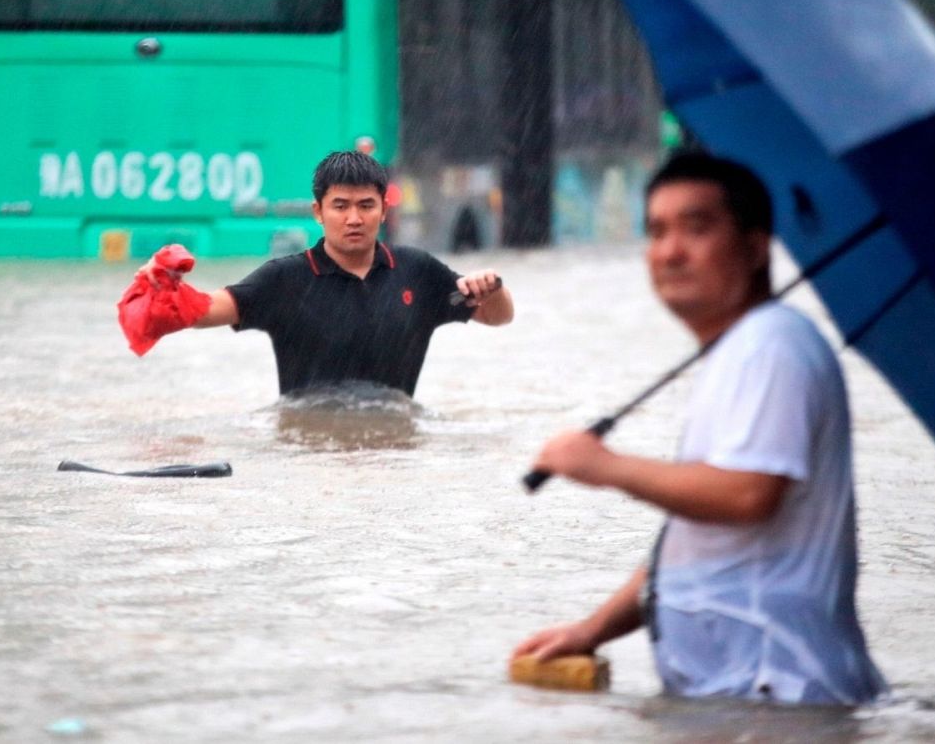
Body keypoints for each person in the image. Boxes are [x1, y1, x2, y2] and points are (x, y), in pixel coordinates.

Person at [512, 149, 885, 706]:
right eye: (657, 231)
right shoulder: (736, 353)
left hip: (779, 701)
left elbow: (747, 494)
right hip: (732, 701)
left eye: (697, 228)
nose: (670, 252)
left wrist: (606, 468)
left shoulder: (770, 346)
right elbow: (696, 546)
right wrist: (592, 630)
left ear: (756, 246)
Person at [136, 150, 512, 397]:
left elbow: (497, 317)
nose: (354, 218)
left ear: (384, 210)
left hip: (395, 454)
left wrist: (493, 288)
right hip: (310, 452)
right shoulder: (285, 280)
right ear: (318, 211)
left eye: (366, 205)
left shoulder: (417, 272)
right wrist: (162, 289)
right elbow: (209, 309)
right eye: (340, 206)